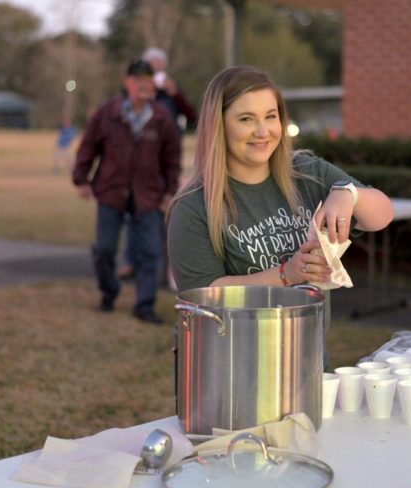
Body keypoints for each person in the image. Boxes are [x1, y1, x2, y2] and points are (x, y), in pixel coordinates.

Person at [167, 65, 393, 295]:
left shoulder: (308, 172)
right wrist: (286, 274)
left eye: (270, 116)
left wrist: (348, 194)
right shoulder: (193, 207)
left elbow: (382, 215)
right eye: (246, 119)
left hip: (309, 330)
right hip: (235, 332)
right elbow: (202, 293)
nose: (263, 131)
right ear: (219, 126)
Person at [72, 59, 181, 324]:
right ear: (127, 82)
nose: (144, 85)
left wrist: (169, 192)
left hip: (148, 194)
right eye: (138, 79)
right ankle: (109, 292)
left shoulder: (161, 117)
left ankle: (145, 305)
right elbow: (88, 147)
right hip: (111, 190)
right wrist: (81, 179)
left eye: (148, 80)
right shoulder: (107, 112)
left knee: (150, 252)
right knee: (105, 249)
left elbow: (172, 158)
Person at [118, 47, 198, 286]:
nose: (153, 75)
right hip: (139, 166)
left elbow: (192, 117)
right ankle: (132, 263)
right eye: (148, 70)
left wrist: (175, 94)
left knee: (165, 216)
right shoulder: (132, 95)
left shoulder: (171, 95)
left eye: (156, 69)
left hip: (166, 164)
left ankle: (164, 269)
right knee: (135, 216)